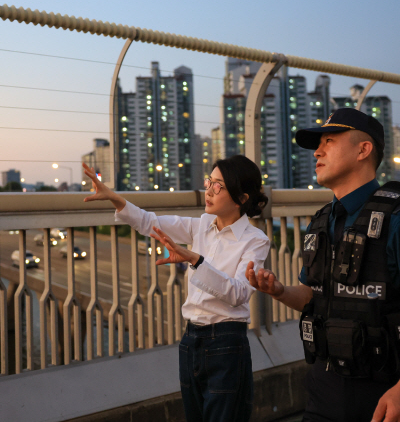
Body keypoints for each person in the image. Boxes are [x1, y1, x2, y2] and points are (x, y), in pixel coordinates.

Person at [247, 108, 400, 422]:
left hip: (384, 399)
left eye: (329, 141)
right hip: (322, 396)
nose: (317, 151)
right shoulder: (322, 221)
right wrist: (280, 291)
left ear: (363, 150)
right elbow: (316, 298)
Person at [83, 156, 269, 421]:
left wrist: (194, 259)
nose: (208, 190)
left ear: (241, 197)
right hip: (191, 341)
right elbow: (150, 223)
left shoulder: (255, 240)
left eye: (218, 186)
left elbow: (239, 294)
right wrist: (114, 197)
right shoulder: (203, 225)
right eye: (209, 181)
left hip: (227, 343)